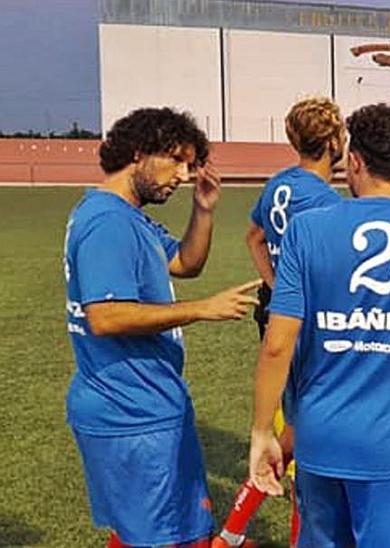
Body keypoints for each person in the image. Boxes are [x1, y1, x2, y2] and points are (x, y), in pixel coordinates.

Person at [247, 103, 390, 547]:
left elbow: (277, 344)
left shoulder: (307, 229)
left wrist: (262, 433)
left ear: (355, 161)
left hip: (322, 439)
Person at [63, 107, 261, 547]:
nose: (182, 175)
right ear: (138, 152)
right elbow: (106, 315)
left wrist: (204, 211)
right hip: (132, 410)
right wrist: (202, 309)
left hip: (139, 402)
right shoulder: (108, 221)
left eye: (189, 165)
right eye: (175, 159)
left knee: (143, 534)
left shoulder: (128, 216)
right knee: (168, 537)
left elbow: (184, 262)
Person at [214, 97, 346, 548]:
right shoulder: (326, 201)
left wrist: (274, 288)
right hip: (309, 330)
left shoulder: (278, 185)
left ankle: (231, 535)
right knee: (308, 442)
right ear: (333, 140)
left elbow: (253, 236)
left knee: (294, 432)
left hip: (276, 316)